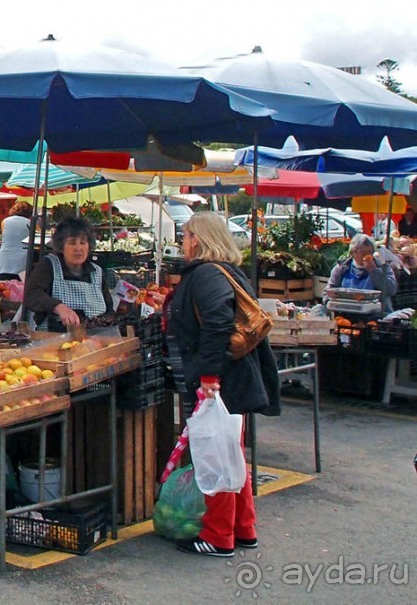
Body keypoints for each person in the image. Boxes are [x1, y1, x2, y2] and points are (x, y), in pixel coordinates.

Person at [163, 212, 280, 558]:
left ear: (196, 239)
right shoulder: (227, 272)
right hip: (234, 375)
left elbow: (216, 321)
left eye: (184, 235)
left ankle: (218, 535)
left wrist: (209, 376)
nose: (182, 243)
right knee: (231, 452)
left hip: (221, 379)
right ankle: (243, 529)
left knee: (214, 454)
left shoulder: (207, 275)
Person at [24, 216, 112, 330]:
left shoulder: (97, 272)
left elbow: (109, 309)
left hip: (94, 341)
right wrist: (58, 307)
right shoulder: (49, 265)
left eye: (83, 242)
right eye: (72, 243)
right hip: (53, 340)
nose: (78, 248)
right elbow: (32, 295)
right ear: (61, 246)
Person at [324, 233, 398, 315]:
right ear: (353, 252)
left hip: (375, 314)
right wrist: (331, 298)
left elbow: (391, 290)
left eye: (369, 252)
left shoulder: (383, 267)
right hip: (346, 313)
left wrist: (374, 271)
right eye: (363, 252)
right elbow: (327, 291)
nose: (367, 255)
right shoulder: (341, 268)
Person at [0, 202, 33, 280]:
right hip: (22, 259)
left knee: (5, 288)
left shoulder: (4, 221)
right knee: (19, 288)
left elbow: (5, 236)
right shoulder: (31, 223)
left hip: (5, 258)